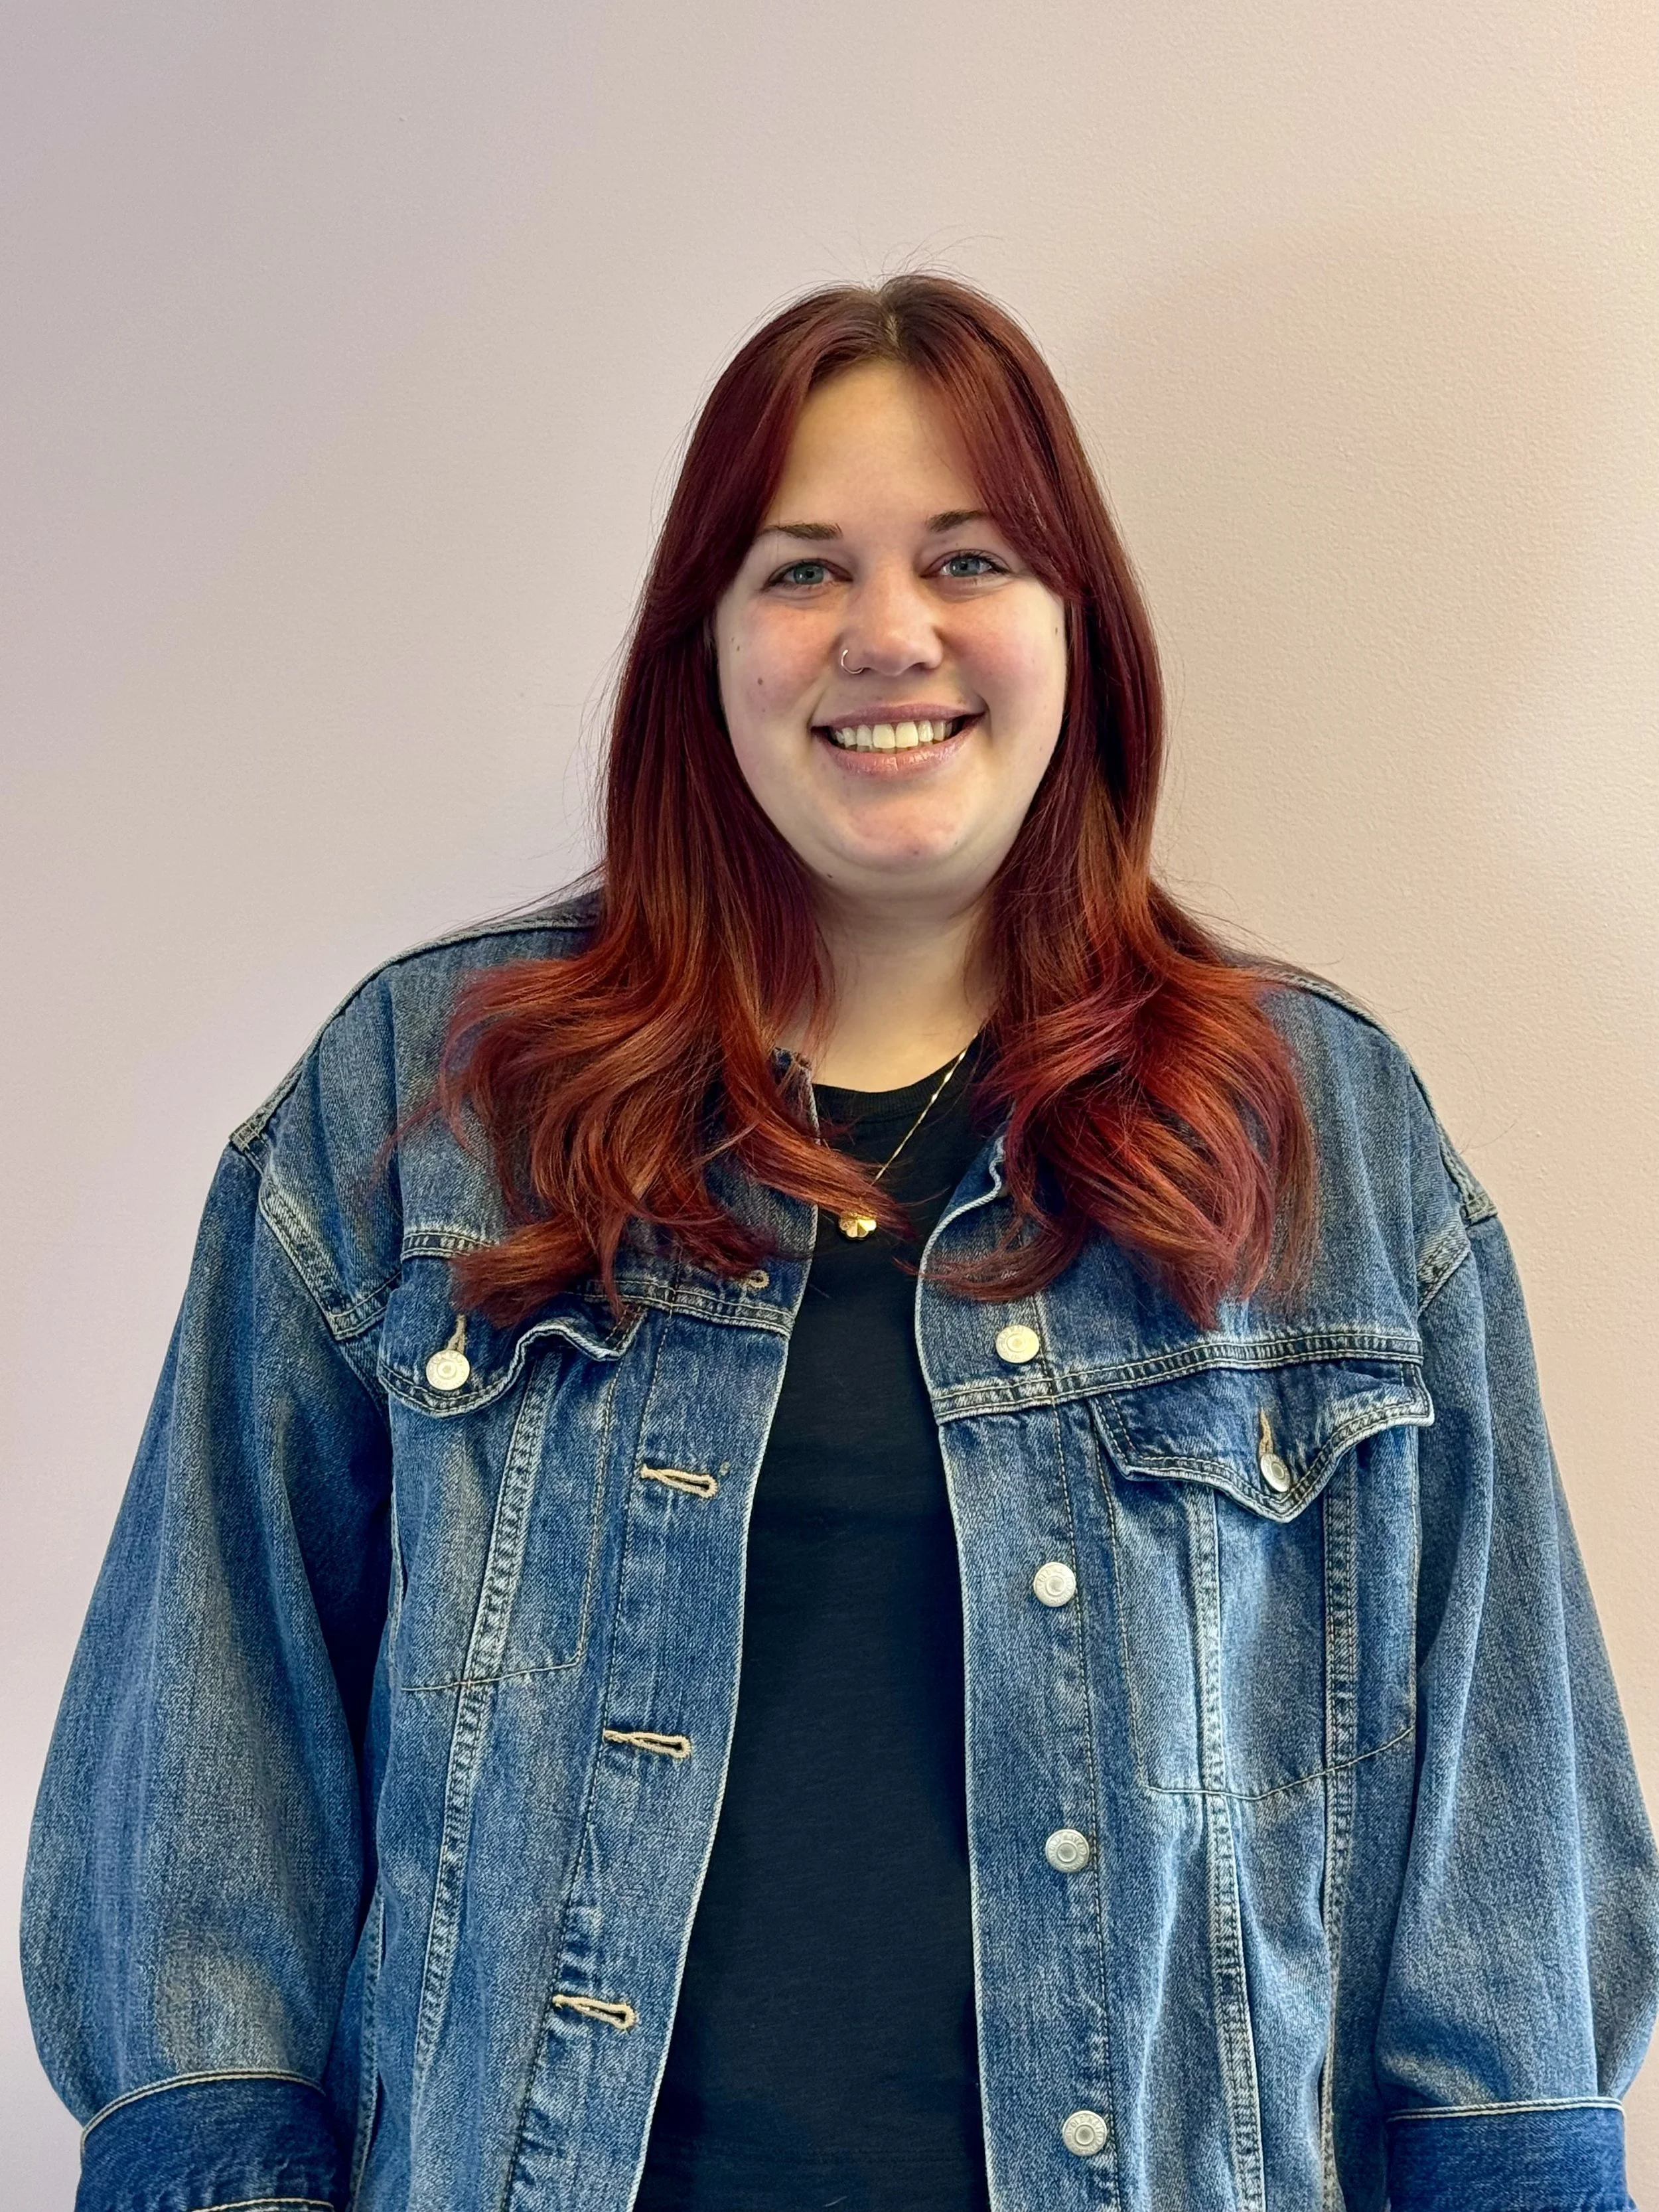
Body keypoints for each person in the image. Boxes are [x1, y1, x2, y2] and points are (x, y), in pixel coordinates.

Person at [21, 272, 1659, 2212]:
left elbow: (1501, 1853)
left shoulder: (1320, 1141)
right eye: (803, 570)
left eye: (966, 556)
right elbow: (201, 1793)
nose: (891, 633)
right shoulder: (429, 1105)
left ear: (1078, 629)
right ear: (700, 645)